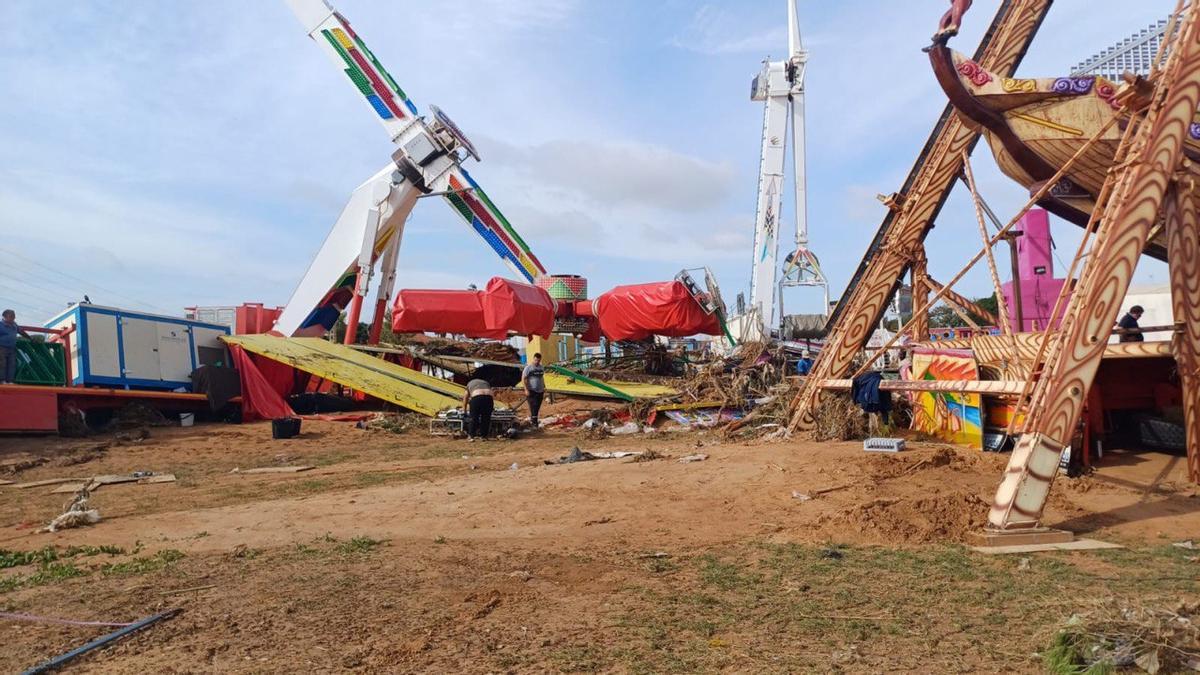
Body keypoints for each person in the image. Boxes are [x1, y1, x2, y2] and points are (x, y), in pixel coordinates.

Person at [0, 309, 32, 385]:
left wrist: (30, 338)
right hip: (1, 347)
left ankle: (10, 381)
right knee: (2, 364)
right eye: (11, 316)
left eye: (14, 316)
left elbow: (22, 332)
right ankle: (2, 380)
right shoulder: (0, 325)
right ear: (4, 316)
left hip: (12, 348)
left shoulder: (14, 325)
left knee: (12, 364)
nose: (13, 318)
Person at [462, 375, 494, 441]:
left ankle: (471, 436)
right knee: (486, 418)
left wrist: (464, 410)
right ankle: (484, 436)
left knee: (474, 417)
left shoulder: (470, 383)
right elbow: (491, 393)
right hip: (489, 399)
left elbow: (465, 398)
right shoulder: (485, 382)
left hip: (477, 398)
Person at [522, 352, 546, 427]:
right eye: (535, 360)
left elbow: (541, 377)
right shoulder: (528, 368)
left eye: (538, 360)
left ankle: (534, 420)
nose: (537, 362)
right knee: (533, 405)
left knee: (538, 405)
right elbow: (524, 379)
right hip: (532, 390)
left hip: (540, 390)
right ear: (533, 359)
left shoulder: (541, 367)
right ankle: (534, 422)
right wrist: (526, 389)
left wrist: (544, 386)